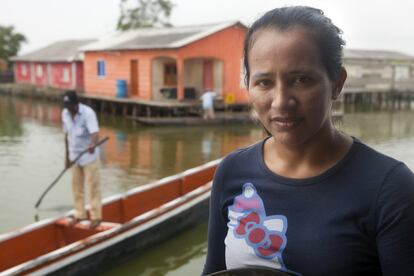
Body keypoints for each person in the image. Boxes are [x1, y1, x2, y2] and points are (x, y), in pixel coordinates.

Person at [203, 6, 414, 276]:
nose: (281, 102)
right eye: (264, 83)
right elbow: (214, 271)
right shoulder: (232, 171)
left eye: (302, 80)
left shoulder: (390, 188)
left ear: (337, 83)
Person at [61, 90, 102, 228]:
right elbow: (66, 136)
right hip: (74, 156)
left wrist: (92, 143)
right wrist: (66, 158)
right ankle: (80, 214)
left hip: (89, 156)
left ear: (76, 104)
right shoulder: (65, 114)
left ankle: (96, 217)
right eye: (66, 106)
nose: (69, 109)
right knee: (76, 187)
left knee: (93, 187)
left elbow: (95, 134)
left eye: (71, 106)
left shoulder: (88, 113)